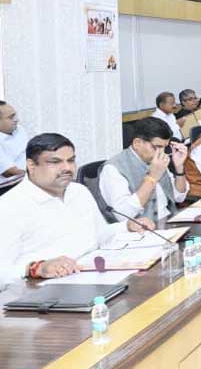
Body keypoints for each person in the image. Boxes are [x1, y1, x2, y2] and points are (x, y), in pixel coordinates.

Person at [0, 133, 153, 284]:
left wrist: (127, 226)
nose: (67, 168)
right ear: (31, 165)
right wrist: (36, 268)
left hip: (92, 276)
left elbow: (98, 234)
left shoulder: (78, 191)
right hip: (41, 290)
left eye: (71, 160)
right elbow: (3, 271)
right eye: (55, 162)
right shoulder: (10, 206)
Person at [100, 118, 189, 224]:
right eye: (157, 147)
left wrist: (179, 167)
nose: (162, 153)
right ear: (137, 143)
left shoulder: (156, 159)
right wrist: (152, 177)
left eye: (164, 147)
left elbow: (179, 197)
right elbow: (123, 215)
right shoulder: (113, 169)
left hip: (169, 220)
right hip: (143, 230)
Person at [0, 100, 28, 177]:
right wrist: (36, 176)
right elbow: (9, 172)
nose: (16, 120)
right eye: (11, 117)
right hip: (14, 181)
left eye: (15, 115)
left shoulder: (19, 129)